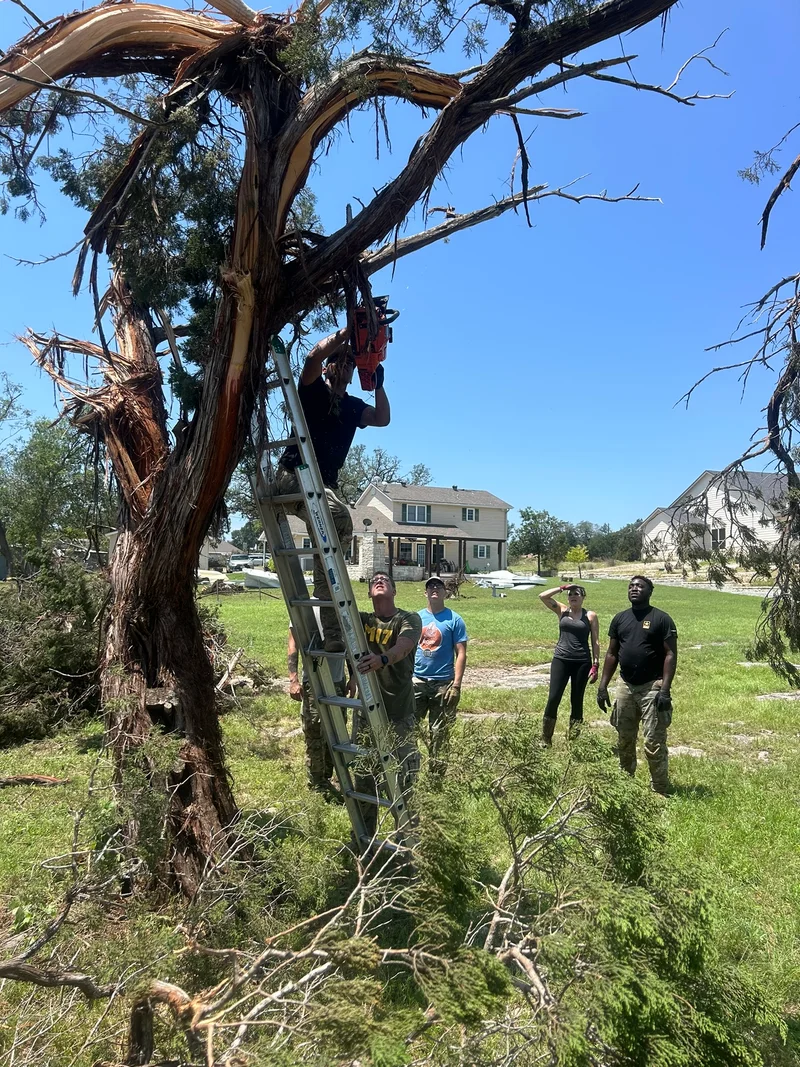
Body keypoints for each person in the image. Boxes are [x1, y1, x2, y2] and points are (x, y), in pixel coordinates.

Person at [275, 327, 390, 650]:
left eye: (350, 365)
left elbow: (382, 418)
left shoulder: (352, 407)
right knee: (340, 517)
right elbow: (312, 357)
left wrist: (377, 382)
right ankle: (330, 610)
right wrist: (347, 334)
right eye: (338, 362)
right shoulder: (312, 390)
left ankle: (333, 632)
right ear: (328, 367)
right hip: (293, 474)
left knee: (333, 544)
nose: (343, 368)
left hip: (322, 486)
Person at [596, 576, 678, 795]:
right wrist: (603, 686)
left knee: (653, 741)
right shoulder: (620, 619)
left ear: (650, 591)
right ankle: (626, 784)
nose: (634, 589)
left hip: (652, 685)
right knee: (624, 737)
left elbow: (671, 654)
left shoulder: (661, 619)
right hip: (625, 685)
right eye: (631, 586)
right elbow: (612, 653)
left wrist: (665, 690)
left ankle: (660, 789)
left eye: (640, 586)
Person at [357, 571, 422, 834]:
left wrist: (382, 659)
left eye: (385, 580)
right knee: (364, 778)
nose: (379, 581)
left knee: (405, 778)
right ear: (369, 593)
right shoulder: (361, 620)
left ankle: (409, 840)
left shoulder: (407, 618)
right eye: (374, 581)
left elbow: (404, 646)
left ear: (394, 591)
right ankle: (365, 839)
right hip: (366, 714)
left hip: (399, 712)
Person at [287, 615, 348, 798]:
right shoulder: (304, 607)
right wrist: (293, 679)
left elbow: (352, 643)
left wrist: (352, 676)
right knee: (314, 729)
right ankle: (317, 781)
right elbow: (293, 644)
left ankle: (329, 775)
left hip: (337, 680)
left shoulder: (340, 603)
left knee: (337, 730)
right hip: (312, 681)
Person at [413, 576, 468, 773]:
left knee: (439, 733)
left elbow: (461, 653)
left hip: (443, 683)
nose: (434, 589)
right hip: (417, 681)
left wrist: (456, 686)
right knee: (411, 729)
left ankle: (437, 775)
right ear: (425, 592)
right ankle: (409, 770)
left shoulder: (454, 619)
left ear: (446, 593)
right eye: (430, 586)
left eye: (439, 586)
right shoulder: (416, 618)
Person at [538, 584, 600, 745]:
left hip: (582, 662)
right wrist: (562, 587)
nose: (573, 596)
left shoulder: (591, 616)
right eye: (570, 594)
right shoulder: (562, 610)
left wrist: (596, 664)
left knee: (577, 700)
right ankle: (546, 739)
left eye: (577, 594)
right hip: (561, 659)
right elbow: (543, 596)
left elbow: (596, 641)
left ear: (583, 597)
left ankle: (575, 740)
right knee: (553, 698)